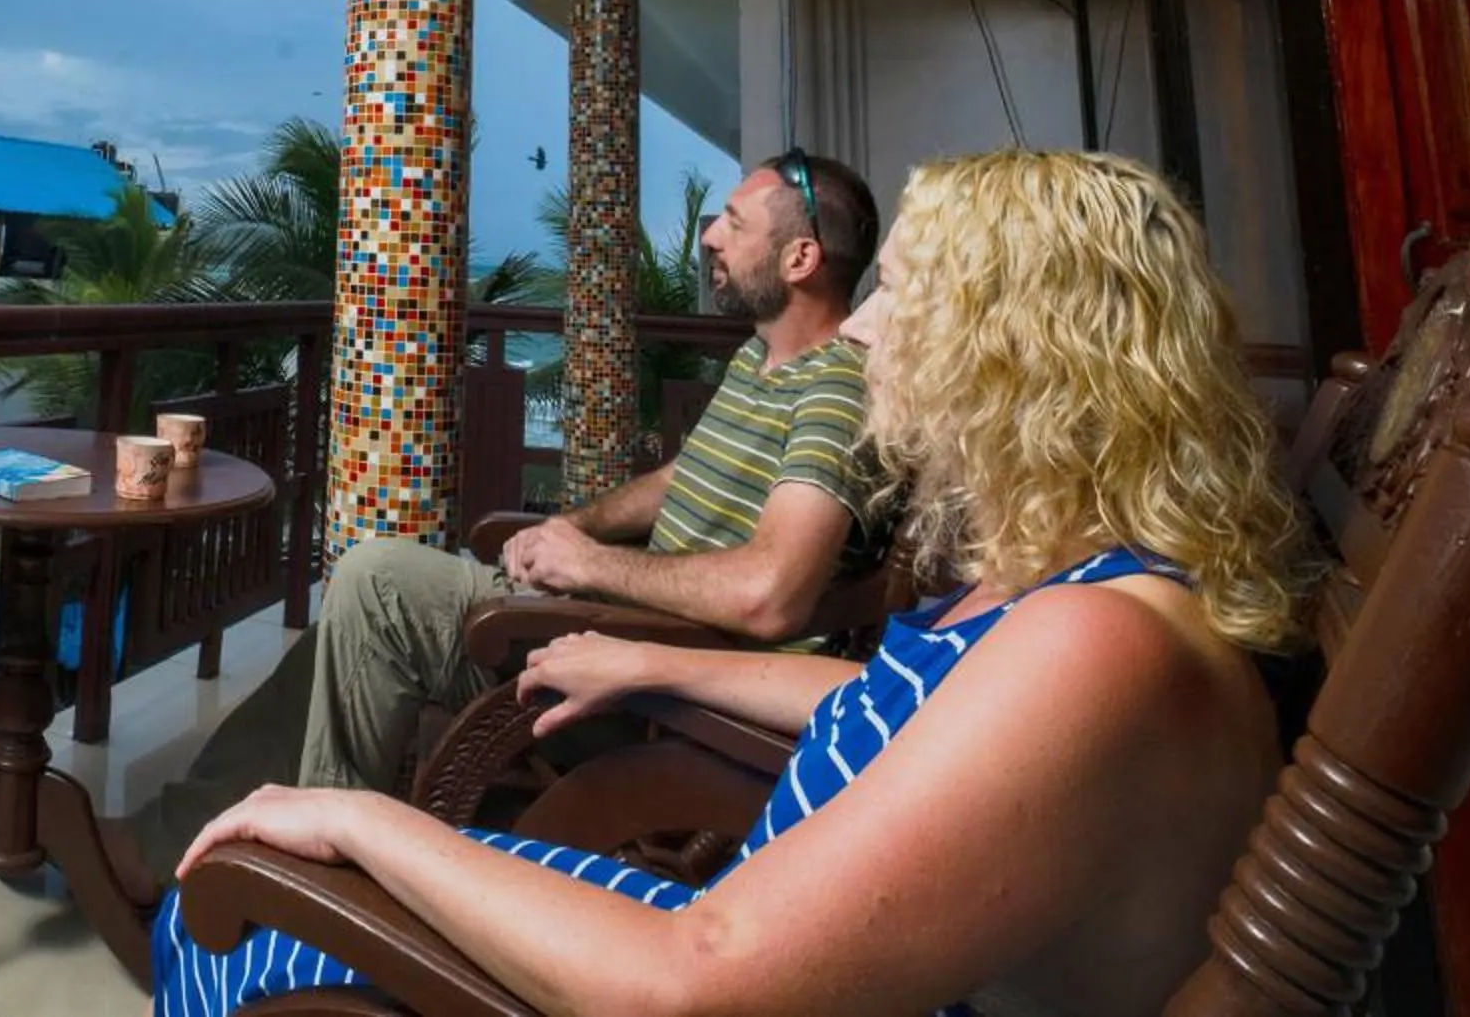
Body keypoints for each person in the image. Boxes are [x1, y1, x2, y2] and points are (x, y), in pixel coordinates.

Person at [155, 148, 1306, 1017]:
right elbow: (910, 711)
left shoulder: (1097, 641)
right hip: (757, 912)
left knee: (233, 924)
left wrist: (362, 819)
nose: (864, 326)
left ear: (1015, 350)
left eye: (902, 293)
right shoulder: (1069, 590)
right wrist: (646, 655)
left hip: (729, 948)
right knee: (274, 855)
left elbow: (698, 975)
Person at [297, 148, 888, 793]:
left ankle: (316, 829)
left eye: (735, 222)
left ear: (799, 259)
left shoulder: (836, 392)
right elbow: (677, 480)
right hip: (625, 630)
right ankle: (298, 814)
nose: (711, 236)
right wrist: (570, 528)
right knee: (357, 610)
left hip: (660, 695)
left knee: (374, 586)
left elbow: (769, 596)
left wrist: (591, 565)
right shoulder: (760, 358)